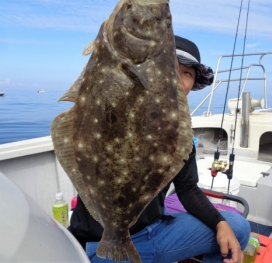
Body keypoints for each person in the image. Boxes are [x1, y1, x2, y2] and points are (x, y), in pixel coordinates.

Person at [69, 35, 250, 263]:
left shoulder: (180, 133)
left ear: (192, 84)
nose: (176, 78)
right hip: (107, 242)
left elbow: (187, 188)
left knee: (237, 227)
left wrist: (219, 223)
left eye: (187, 73)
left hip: (157, 231)